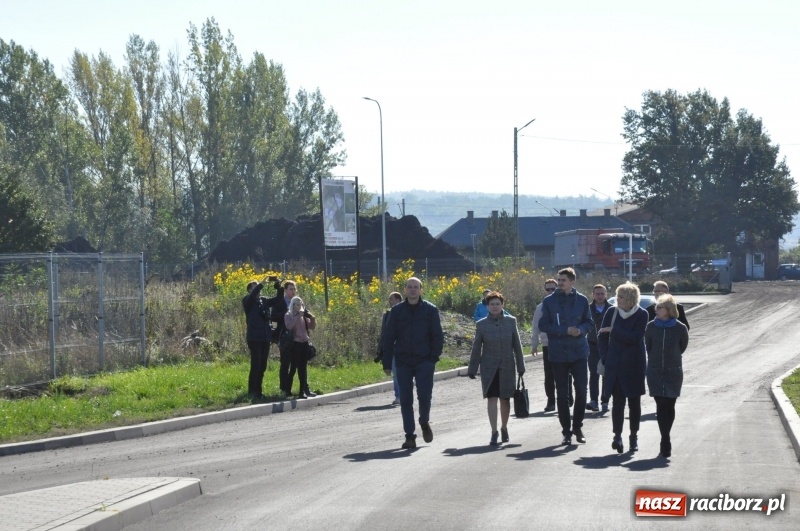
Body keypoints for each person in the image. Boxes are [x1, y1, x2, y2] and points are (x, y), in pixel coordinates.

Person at [383, 277, 444, 449]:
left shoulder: (430, 310)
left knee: (424, 396)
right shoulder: (396, 311)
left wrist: (433, 357)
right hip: (403, 361)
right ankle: (410, 435)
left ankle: (424, 421)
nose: (412, 290)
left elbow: (437, 336)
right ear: (404, 290)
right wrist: (387, 362)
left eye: (416, 287)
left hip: (424, 360)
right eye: (409, 287)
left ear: (421, 290)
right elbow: (389, 337)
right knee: (406, 400)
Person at [538, 267, 593, 445]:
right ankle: (566, 431)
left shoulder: (582, 300)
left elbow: (589, 322)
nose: (560, 283)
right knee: (562, 394)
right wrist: (564, 330)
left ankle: (577, 426)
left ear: (572, 282)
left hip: (578, 352)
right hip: (558, 353)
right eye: (559, 280)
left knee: (582, 392)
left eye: (563, 280)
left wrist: (581, 329)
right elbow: (543, 324)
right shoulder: (549, 301)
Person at [468, 291, 526, 445]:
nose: (494, 307)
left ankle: (504, 427)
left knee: (505, 399)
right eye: (492, 304)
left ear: (502, 305)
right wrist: (472, 368)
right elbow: (476, 347)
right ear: (487, 306)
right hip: (489, 367)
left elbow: (517, 346)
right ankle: (493, 431)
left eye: (497, 304)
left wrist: (521, 366)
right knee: (491, 398)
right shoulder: (481, 324)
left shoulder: (511, 321)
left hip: (507, 366)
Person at [598, 282, 648, 454]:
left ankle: (633, 437)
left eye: (620, 296)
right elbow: (602, 336)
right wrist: (605, 357)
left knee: (634, 403)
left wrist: (614, 330)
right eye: (617, 296)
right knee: (617, 403)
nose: (616, 299)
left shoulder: (642, 314)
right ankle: (617, 436)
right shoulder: (611, 312)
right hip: (615, 365)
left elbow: (635, 337)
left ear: (630, 298)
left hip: (634, 365)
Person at [645, 294, 689, 458]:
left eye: (660, 307)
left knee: (669, 405)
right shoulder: (651, 327)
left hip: (673, 372)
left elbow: (682, 346)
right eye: (656, 307)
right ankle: (665, 439)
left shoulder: (680, 328)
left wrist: (671, 359)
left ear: (669, 310)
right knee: (660, 404)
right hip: (655, 371)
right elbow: (648, 346)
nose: (656, 310)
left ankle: (666, 436)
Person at [531, 278, 572, 412]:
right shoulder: (541, 307)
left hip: (564, 343)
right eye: (548, 289)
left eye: (553, 289)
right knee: (549, 375)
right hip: (548, 344)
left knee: (567, 372)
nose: (550, 291)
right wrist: (534, 344)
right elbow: (536, 326)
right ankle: (551, 401)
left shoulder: (564, 304)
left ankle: (568, 396)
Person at [242, 276, 283, 400]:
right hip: (254, 337)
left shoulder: (263, 300)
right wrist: (261, 283)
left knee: (263, 365)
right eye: (254, 288)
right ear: (249, 290)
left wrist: (278, 286)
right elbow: (252, 296)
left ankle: (258, 391)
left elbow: (278, 300)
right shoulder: (247, 301)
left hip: (265, 337)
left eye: (257, 288)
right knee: (256, 364)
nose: (257, 290)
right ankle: (252, 391)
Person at [283, 296, 317, 399]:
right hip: (295, 344)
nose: (299, 306)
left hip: (304, 343)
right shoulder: (288, 315)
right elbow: (289, 326)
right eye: (297, 304)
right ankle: (287, 390)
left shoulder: (303, 316)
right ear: (293, 305)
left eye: (301, 304)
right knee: (293, 368)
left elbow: (311, 327)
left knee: (303, 368)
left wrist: (312, 318)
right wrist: (297, 316)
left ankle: (302, 392)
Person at [586, 284, 612, 413]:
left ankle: (605, 401)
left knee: (606, 374)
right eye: (597, 294)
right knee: (594, 373)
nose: (600, 296)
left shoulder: (612, 309)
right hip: (592, 346)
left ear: (606, 294)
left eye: (602, 293)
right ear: (593, 295)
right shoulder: (587, 309)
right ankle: (594, 401)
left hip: (608, 346)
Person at [376, 291, 404, 405]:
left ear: (398, 300)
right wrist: (380, 347)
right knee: (395, 373)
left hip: (403, 348)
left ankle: (403, 395)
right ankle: (399, 396)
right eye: (389, 299)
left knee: (402, 373)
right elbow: (384, 332)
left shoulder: (405, 312)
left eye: (392, 299)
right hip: (391, 347)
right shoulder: (387, 314)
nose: (390, 301)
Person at [271, 280, 297, 398]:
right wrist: (286, 313)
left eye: (294, 289)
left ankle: (292, 388)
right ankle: (283, 389)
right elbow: (273, 316)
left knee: (296, 363)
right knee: (285, 363)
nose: (293, 291)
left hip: (297, 336)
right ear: (285, 290)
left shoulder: (297, 302)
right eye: (291, 289)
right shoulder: (280, 302)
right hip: (284, 336)